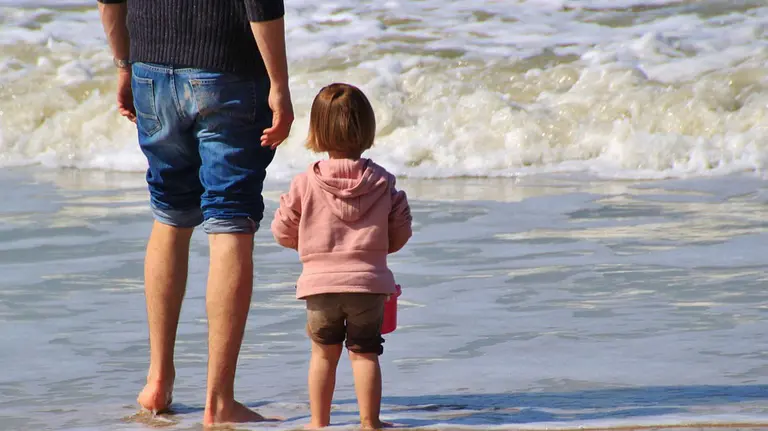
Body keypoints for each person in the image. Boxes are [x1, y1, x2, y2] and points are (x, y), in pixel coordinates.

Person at [97, 0, 294, 425]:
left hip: (150, 63)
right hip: (227, 67)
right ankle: (219, 400)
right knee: (230, 221)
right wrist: (279, 82)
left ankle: (157, 382)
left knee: (170, 214)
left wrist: (123, 63)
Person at [271, 83, 412, 429]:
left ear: (316, 131)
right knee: (365, 353)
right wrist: (377, 251)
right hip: (369, 284)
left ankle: (319, 422)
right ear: (367, 128)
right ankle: (370, 422)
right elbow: (400, 231)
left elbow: (282, 230)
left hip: (319, 286)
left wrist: (311, 250)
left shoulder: (305, 183)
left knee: (323, 354)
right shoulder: (382, 181)